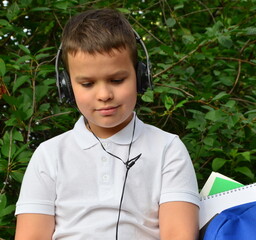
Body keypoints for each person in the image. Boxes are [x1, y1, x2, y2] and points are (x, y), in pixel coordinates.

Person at [15, 9, 200, 240]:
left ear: (141, 77)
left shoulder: (168, 149)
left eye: (117, 80)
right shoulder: (49, 155)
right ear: (67, 86)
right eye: (87, 83)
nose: (104, 94)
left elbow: (178, 235)